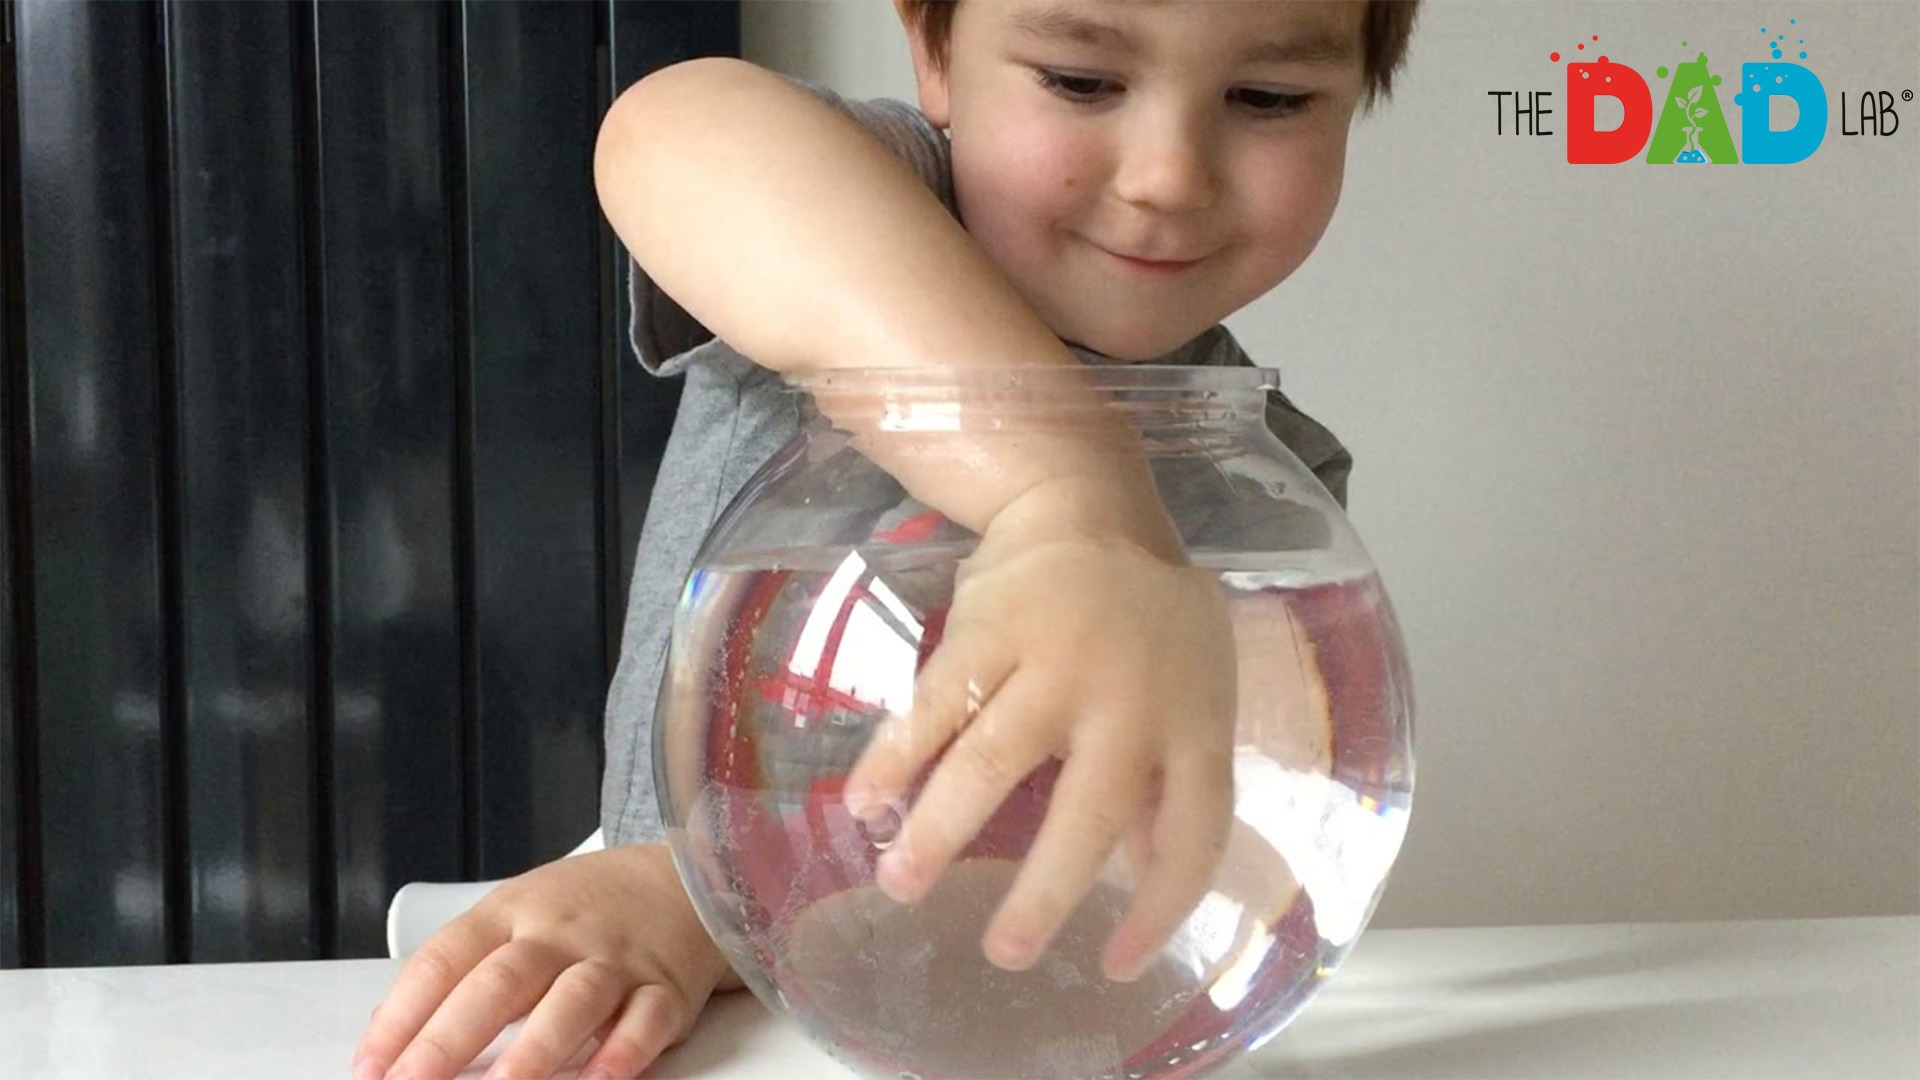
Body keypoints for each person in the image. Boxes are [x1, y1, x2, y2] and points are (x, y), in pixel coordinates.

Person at [353, 2, 1418, 1078]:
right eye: (1082, 82)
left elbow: (1177, 852)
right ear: (936, 54)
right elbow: (673, 128)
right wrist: (1070, 491)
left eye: (1270, 98)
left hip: (1004, 1004)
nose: (1167, 176)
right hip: (669, 908)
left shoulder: (1275, 475)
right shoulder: (879, 210)